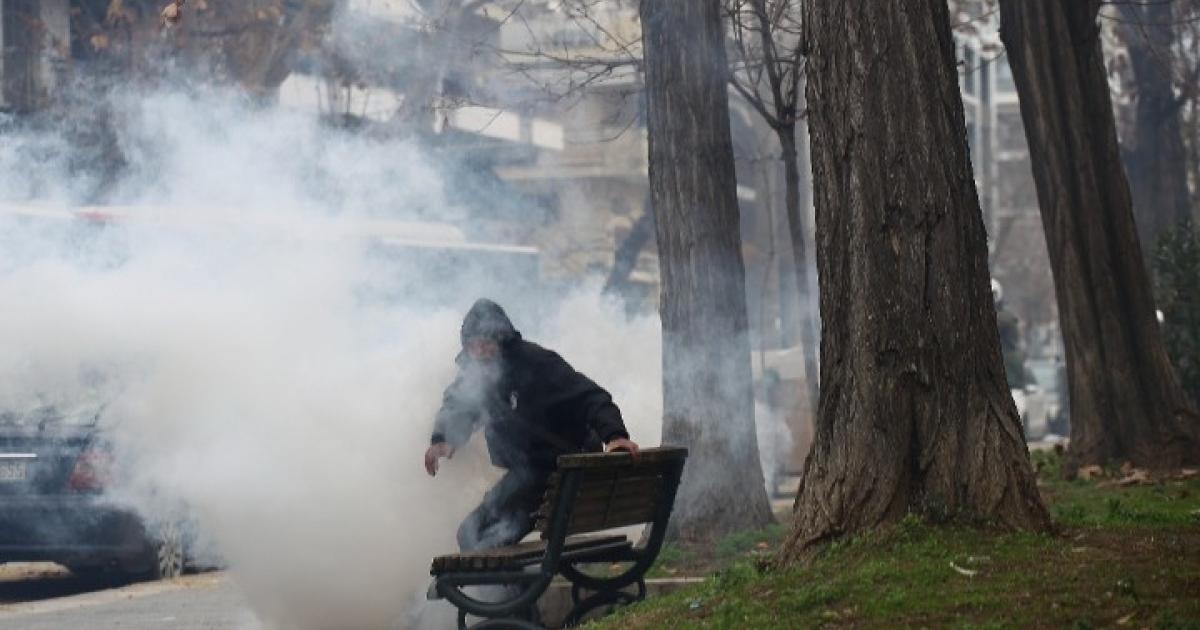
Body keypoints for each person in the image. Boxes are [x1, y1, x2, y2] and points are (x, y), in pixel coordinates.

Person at [424, 298, 640, 553]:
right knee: (471, 534)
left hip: (555, 472)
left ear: (502, 339)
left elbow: (591, 396)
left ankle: (510, 580)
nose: (480, 351)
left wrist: (614, 435)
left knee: (474, 536)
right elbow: (459, 405)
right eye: (473, 345)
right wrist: (444, 438)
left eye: (486, 342)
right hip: (534, 474)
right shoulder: (477, 373)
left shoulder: (537, 363)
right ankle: (511, 579)